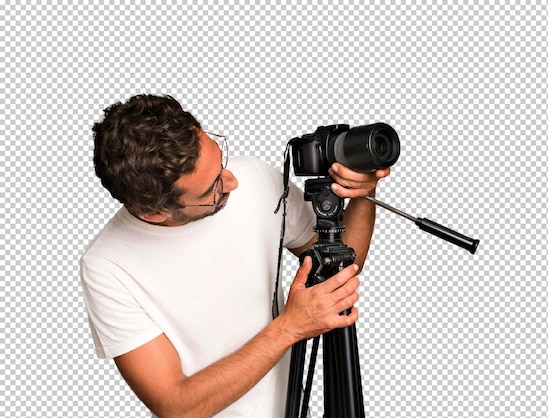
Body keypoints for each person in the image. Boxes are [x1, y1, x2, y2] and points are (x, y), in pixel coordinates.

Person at [80, 94, 390, 418]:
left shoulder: (254, 177)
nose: (233, 181)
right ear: (157, 213)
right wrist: (290, 327)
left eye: (221, 160)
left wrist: (363, 193)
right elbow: (177, 406)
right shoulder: (108, 267)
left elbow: (339, 264)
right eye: (212, 188)